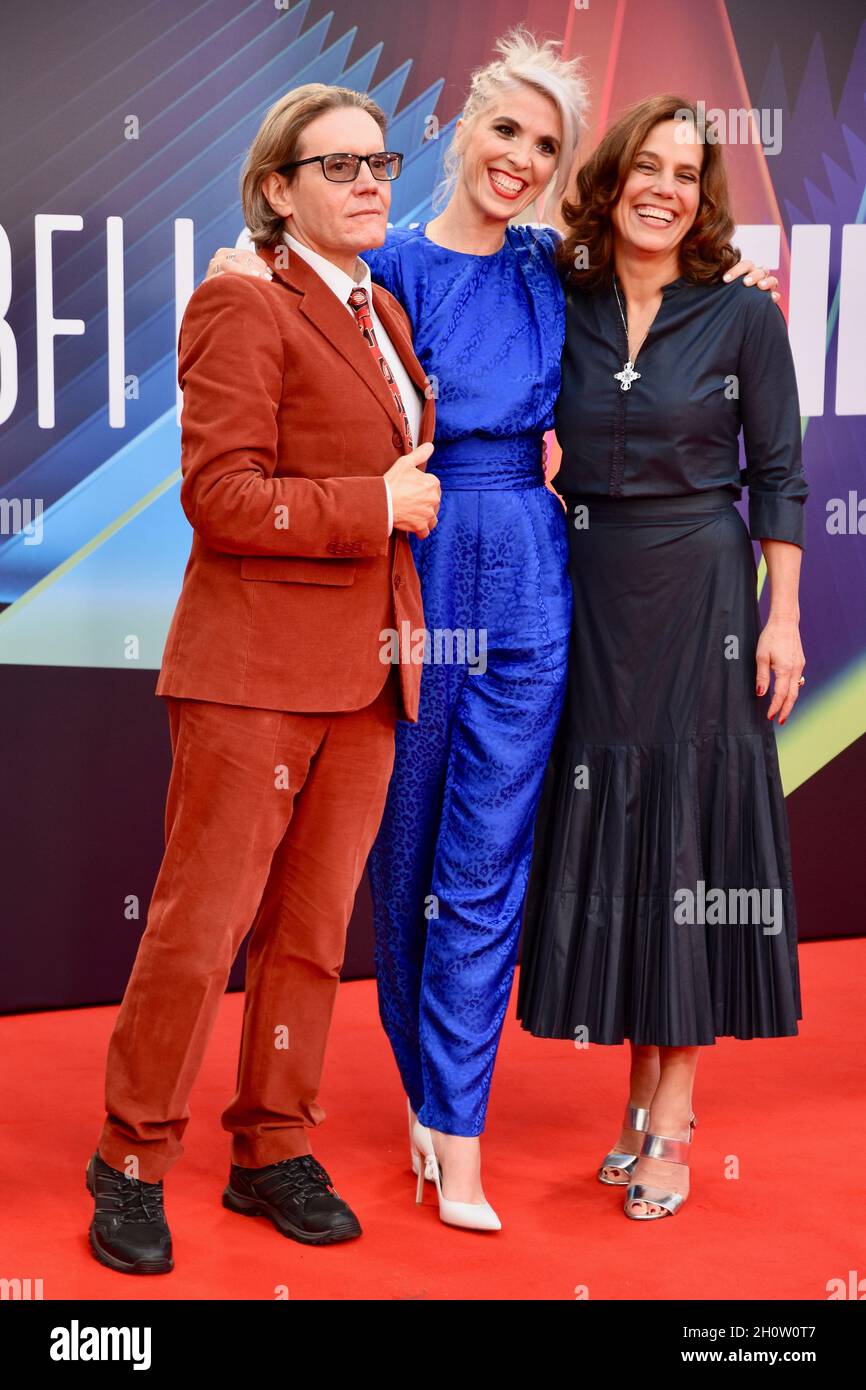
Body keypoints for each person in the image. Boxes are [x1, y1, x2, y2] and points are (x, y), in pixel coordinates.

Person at [208, 30, 779, 1232]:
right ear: (460, 128)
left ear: (562, 167)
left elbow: (656, 293)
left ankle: (458, 1134)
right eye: (502, 130)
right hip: (411, 570)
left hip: (531, 568)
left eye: (544, 142)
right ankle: (425, 1100)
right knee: (404, 856)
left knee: (482, 866)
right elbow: (306, 303)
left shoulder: (546, 267)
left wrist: (731, 302)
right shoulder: (392, 261)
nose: (517, 157)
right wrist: (253, 267)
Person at [87, 82, 440, 1274]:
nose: (368, 181)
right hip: (250, 675)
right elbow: (220, 495)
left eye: (378, 161)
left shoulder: (382, 313)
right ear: (276, 190)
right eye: (335, 166)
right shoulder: (239, 301)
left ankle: (270, 1145)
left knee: (305, 938)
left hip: (367, 676)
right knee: (199, 930)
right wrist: (374, 504)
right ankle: (130, 1159)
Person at [516, 94, 807, 1221]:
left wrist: (779, 618)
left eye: (686, 174)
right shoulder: (562, 292)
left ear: (703, 196)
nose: (664, 189)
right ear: (612, 175)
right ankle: (636, 1100)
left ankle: (673, 1116)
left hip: (700, 590)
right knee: (624, 834)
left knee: (684, 834)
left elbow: (777, 473)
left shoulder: (743, 317)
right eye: (646, 165)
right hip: (586, 589)